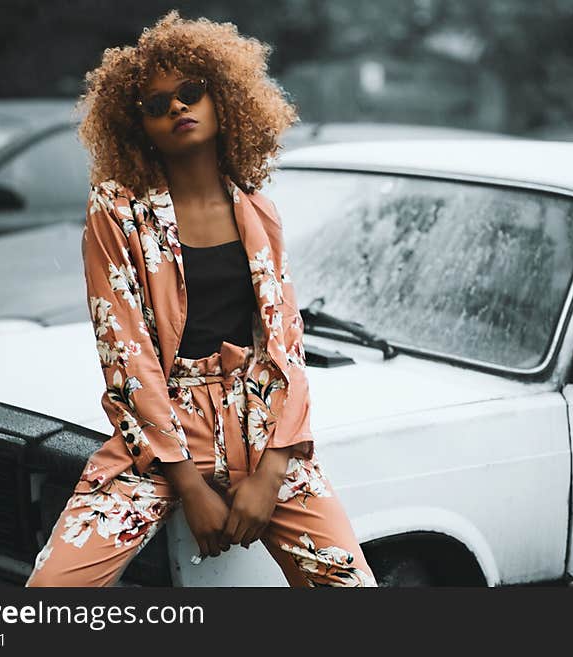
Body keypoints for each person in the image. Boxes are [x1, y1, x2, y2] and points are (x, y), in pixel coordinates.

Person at [25, 10, 377, 588]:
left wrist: (271, 474)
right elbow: (126, 355)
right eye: (156, 103)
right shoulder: (118, 212)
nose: (177, 108)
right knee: (50, 593)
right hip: (162, 441)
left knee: (353, 590)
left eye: (191, 92)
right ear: (137, 125)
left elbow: (287, 347)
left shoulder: (259, 212)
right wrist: (189, 484)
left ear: (223, 99)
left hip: (264, 434)